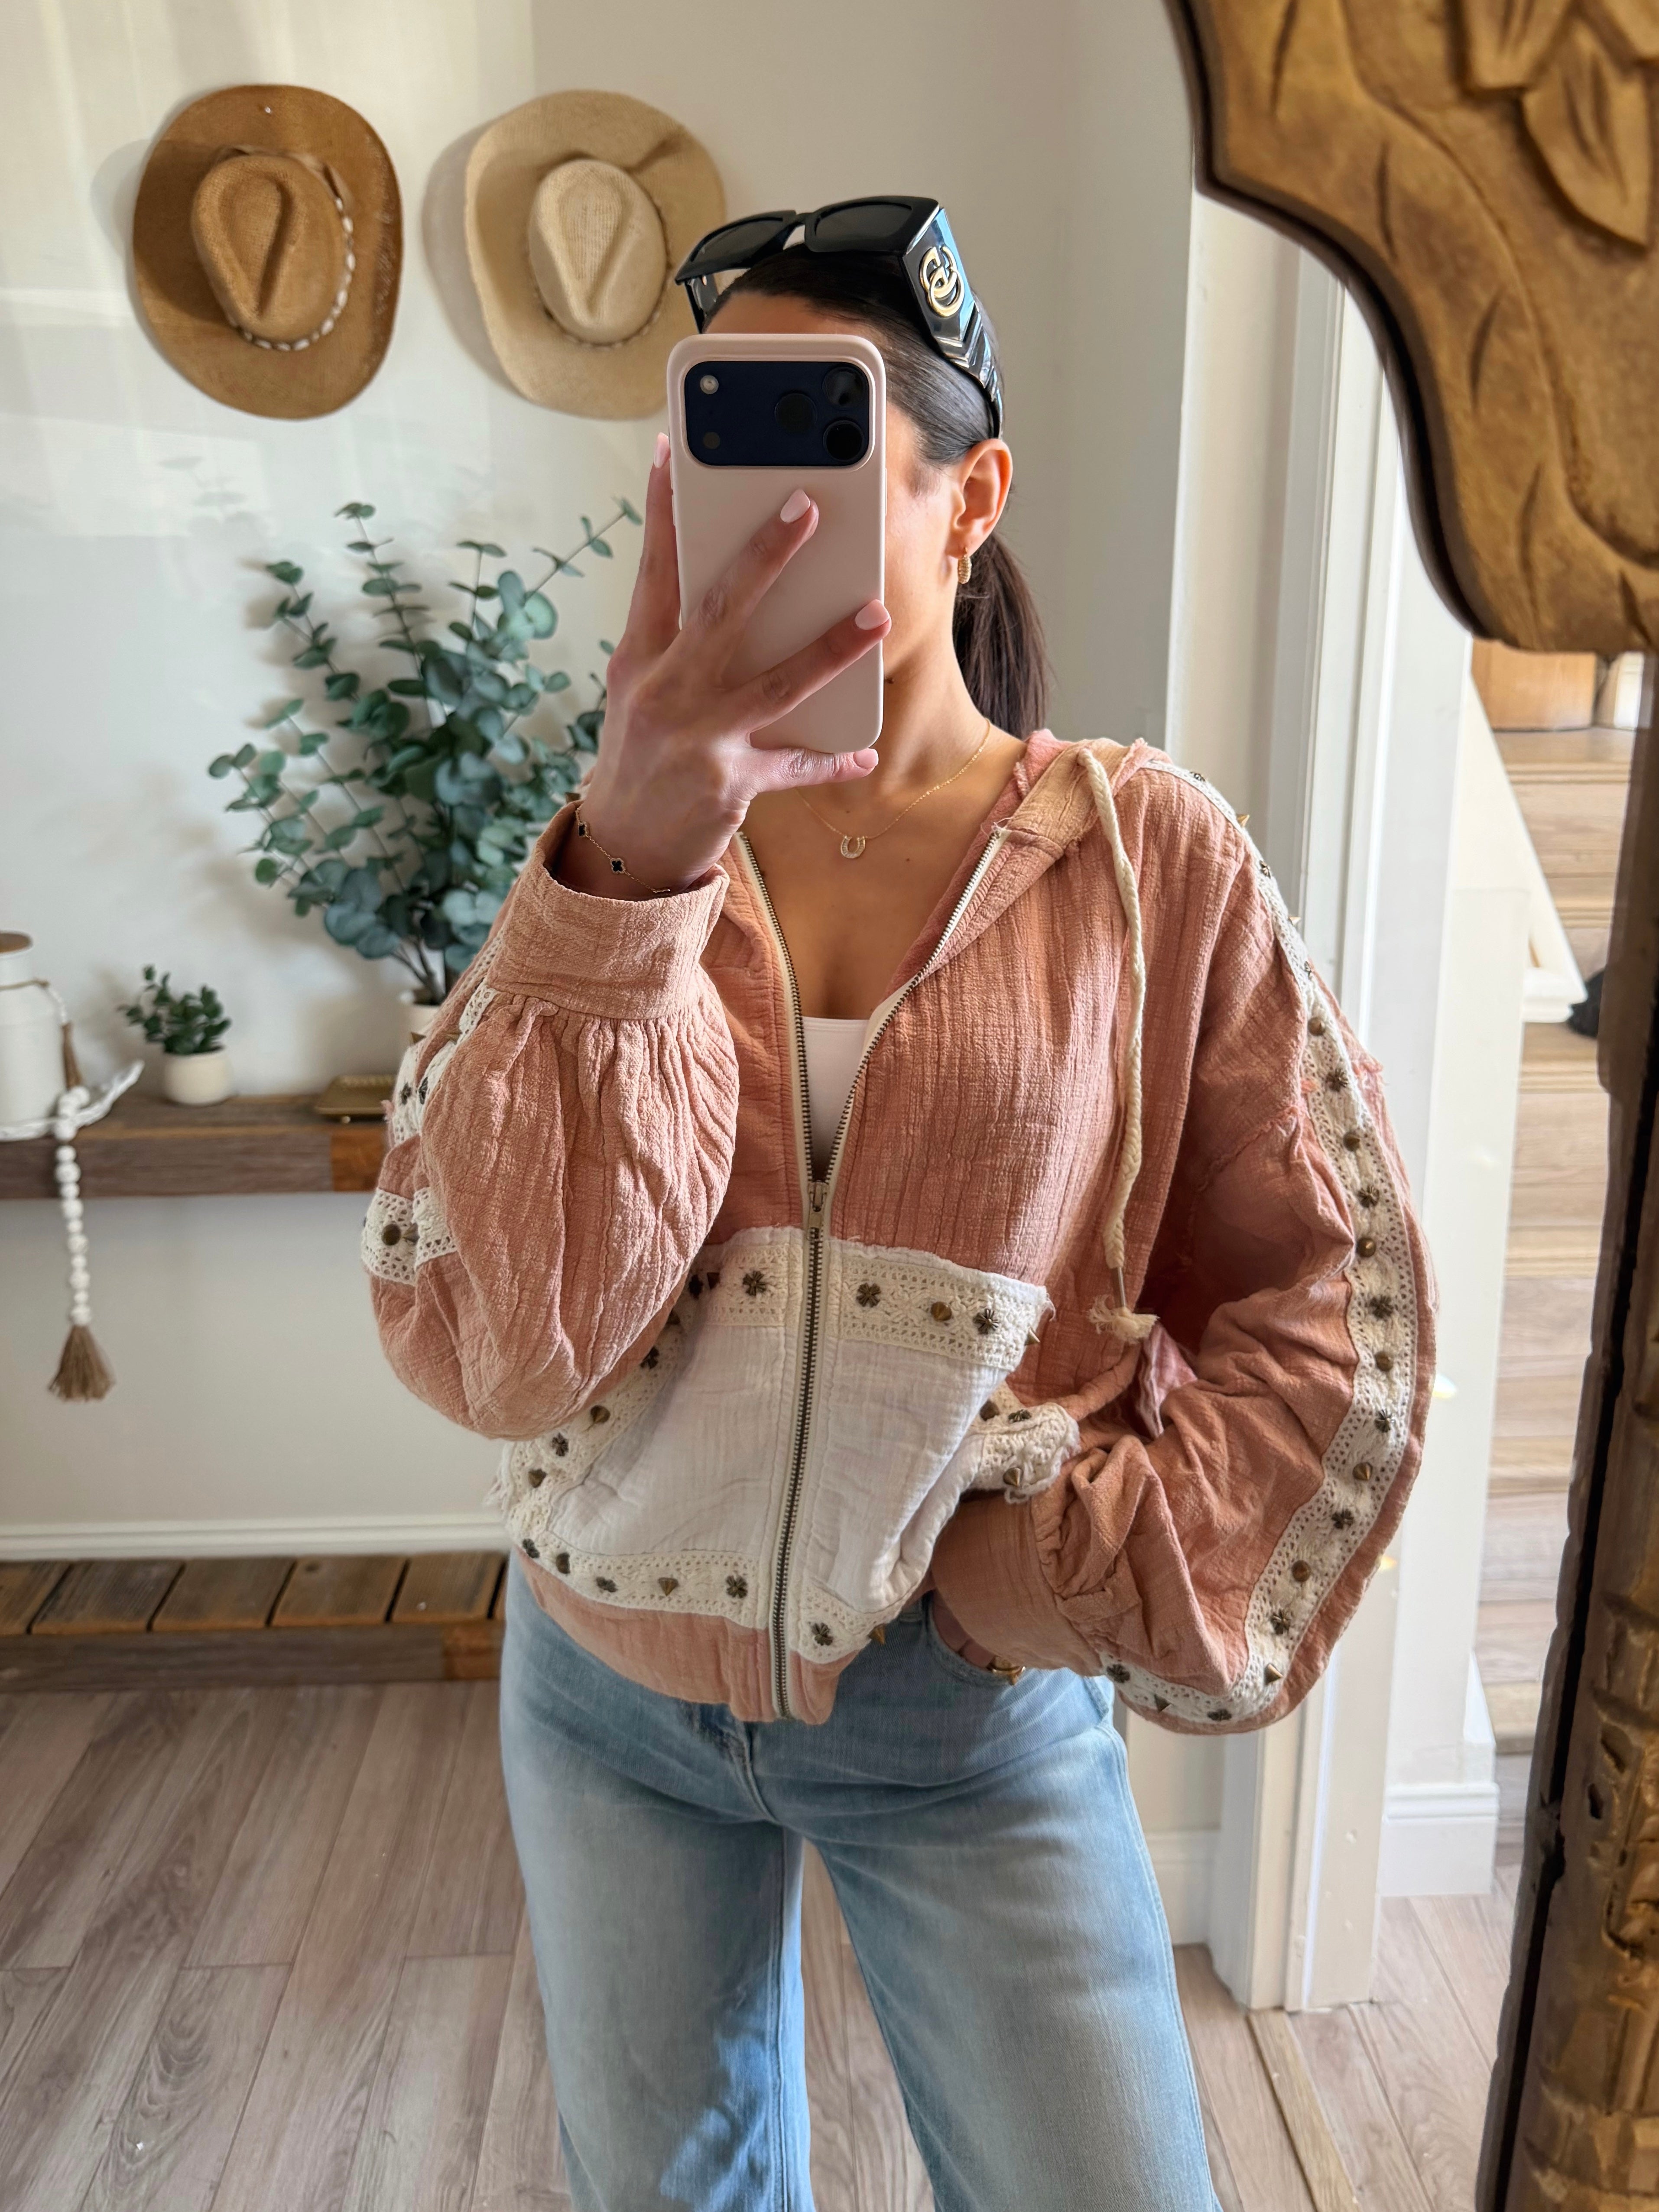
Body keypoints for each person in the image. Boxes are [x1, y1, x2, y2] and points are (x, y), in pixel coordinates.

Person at [365, 201, 1434, 2212]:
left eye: (829, 449)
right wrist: (624, 878)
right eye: (718, 454)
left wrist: (1074, 1570)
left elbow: (1331, 1293)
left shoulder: (1141, 858)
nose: (766, 520)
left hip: (967, 1709)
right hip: (602, 1690)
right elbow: (505, 1337)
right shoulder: (609, 855)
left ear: (972, 500)